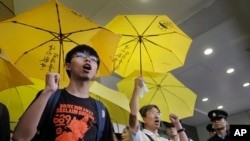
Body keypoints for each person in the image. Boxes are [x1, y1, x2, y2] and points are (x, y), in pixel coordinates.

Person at [13, 44, 114, 141]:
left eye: (93, 59)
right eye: (80, 55)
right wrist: (48, 91)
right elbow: (20, 137)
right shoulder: (49, 96)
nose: (88, 59)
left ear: (96, 73)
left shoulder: (101, 110)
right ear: (68, 66)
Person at [129, 76, 189, 141]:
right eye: (152, 112)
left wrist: (177, 125)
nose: (157, 116)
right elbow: (133, 116)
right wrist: (137, 88)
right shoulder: (139, 135)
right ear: (143, 119)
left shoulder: (164, 140)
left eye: (158, 113)